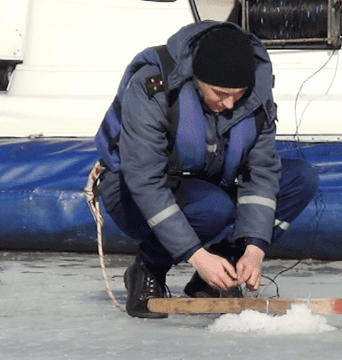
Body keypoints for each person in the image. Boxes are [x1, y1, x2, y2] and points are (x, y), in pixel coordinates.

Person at [94, 21, 319, 318]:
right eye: (220, 93)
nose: (229, 104)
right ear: (196, 78)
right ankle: (150, 266)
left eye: (238, 95)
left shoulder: (255, 98)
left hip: (206, 185)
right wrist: (196, 256)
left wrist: (253, 249)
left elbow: (262, 173)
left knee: (300, 179)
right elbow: (145, 182)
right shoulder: (152, 88)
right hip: (134, 195)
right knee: (214, 207)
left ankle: (219, 272)